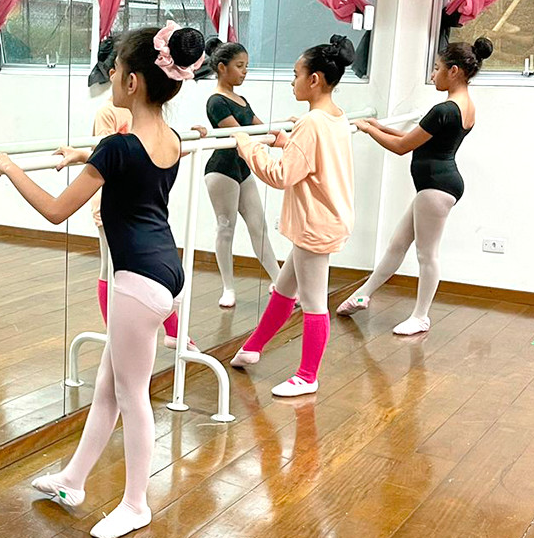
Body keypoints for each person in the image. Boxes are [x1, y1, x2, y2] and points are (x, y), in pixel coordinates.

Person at [0, 21, 205, 538]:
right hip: (164, 269)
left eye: (116, 69)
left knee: (132, 396)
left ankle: (136, 504)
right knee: (110, 389)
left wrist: (9, 167)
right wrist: (83, 156)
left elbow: (55, 211)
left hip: (136, 281)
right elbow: (133, 169)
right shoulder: (168, 140)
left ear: (132, 83)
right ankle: (73, 479)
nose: (110, 75)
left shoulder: (117, 145)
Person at [228, 35, 358, 398]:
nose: (292, 81)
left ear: (314, 79)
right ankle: (252, 348)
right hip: (326, 217)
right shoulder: (333, 116)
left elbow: (281, 176)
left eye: (296, 74)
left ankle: (307, 375)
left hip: (318, 222)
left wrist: (247, 145)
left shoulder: (313, 123)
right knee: (285, 289)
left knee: (315, 302)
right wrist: (288, 140)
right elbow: (315, 159)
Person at [339, 38, 491, 334]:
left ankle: (421, 316)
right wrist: (377, 125)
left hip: (436, 187)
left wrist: (370, 130)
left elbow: (401, 147)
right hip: (436, 185)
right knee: (398, 244)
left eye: (437, 69)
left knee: (426, 254)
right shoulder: (464, 106)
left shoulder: (445, 109)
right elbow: (414, 137)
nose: (433, 75)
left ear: (455, 71)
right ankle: (363, 294)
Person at [77, 98, 193, 350]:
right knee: (110, 267)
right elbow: (109, 157)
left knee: (142, 277)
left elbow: (131, 155)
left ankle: (167, 332)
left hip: (134, 206)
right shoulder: (108, 114)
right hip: (112, 202)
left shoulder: (151, 121)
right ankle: (115, 334)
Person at [202, 38, 280, 308]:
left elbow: (263, 128)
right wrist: (269, 136)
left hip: (243, 168)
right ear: (222, 68)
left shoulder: (241, 99)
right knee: (226, 229)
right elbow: (242, 134)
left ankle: (280, 284)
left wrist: (289, 128)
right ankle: (228, 288)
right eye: (239, 66)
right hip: (222, 170)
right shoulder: (216, 101)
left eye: (246, 66)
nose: (244, 71)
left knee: (259, 227)